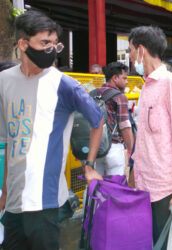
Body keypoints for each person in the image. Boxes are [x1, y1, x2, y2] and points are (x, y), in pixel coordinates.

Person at [0, 11, 104, 249]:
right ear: (23, 44)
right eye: (44, 43)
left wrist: (89, 165)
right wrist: (5, 193)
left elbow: (97, 120)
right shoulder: (4, 81)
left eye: (55, 44)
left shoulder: (64, 84)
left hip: (45, 203)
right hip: (14, 204)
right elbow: (9, 141)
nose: (52, 50)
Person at [127, 26, 172, 249]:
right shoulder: (147, 85)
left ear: (140, 50)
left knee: (170, 244)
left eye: (130, 51)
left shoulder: (171, 83)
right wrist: (133, 172)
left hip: (167, 188)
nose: (129, 57)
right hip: (146, 184)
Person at [94, 62, 134, 175]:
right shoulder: (120, 97)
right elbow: (125, 126)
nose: (126, 82)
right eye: (124, 78)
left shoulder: (92, 94)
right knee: (115, 188)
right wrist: (131, 150)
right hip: (113, 147)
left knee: (95, 187)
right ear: (115, 78)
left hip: (94, 148)